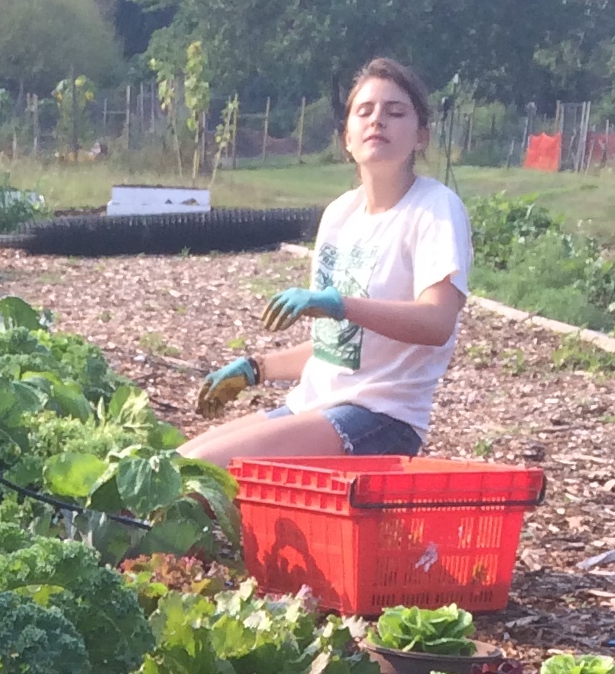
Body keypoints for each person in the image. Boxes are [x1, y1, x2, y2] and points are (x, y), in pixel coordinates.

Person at [182, 58, 470, 465]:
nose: (378, 121)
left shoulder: (434, 209)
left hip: (380, 419)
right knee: (180, 461)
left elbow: (438, 323)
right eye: (364, 111)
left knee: (200, 474)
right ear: (346, 139)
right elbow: (334, 348)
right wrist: (256, 367)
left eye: (396, 111)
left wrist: (341, 304)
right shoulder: (339, 216)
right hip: (313, 406)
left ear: (421, 136)